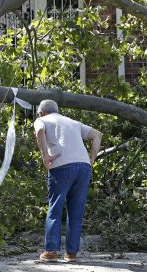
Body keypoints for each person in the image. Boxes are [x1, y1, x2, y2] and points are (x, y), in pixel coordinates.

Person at [33, 99, 103, 263]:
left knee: (55, 207)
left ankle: (51, 251)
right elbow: (97, 135)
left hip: (61, 166)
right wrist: (91, 159)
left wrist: (45, 157)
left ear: (41, 113)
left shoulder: (41, 120)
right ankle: (71, 253)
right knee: (76, 211)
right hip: (83, 167)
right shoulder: (73, 122)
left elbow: (39, 131)